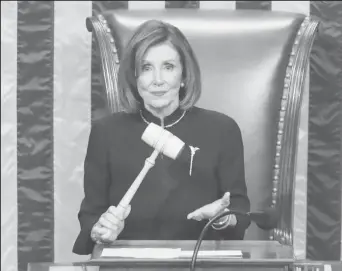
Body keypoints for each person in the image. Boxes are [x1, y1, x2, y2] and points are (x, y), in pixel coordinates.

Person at [72, 19, 250, 255]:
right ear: (134, 78)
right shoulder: (106, 132)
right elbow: (91, 213)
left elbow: (239, 210)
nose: (157, 80)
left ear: (184, 75)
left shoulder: (223, 130)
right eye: (146, 68)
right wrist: (99, 230)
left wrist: (222, 219)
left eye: (168, 66)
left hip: (200, 262)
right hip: (128, 265)